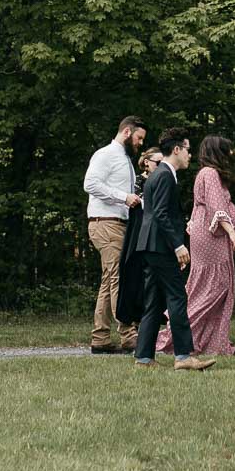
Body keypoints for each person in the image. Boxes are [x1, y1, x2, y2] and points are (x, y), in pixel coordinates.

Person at [120, 129, 214, 370]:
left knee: (154, 301)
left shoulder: (159, 174)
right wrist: (178, 245)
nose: (190, 155)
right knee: (177, 296)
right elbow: (161, 214)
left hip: (151, 246)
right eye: (188, 149)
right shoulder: (164, 175)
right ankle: (183, 356)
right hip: (160, 246)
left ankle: (143, 358)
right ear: (176, 150)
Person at [157, 135, 235, 357]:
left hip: (207, 235)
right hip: (211, 237)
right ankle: (174, 336)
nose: (231, 155)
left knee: (207, 288)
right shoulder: (210, 173)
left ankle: (207, 343)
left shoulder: (206, 174)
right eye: (228, 150)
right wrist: (232, 232)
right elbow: (215, 206)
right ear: (219, 152)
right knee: (213, 289)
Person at [84, 116, 145, 354]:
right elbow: (90, 184)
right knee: (118, 278)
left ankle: (100, 337)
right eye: (139, 138)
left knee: (109, 280)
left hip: (117, 224)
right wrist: (124, 197)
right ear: (127, 132)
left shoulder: (124, 159)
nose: (140, 143)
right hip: (105, 223)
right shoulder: (106, 154)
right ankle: (128, 335)